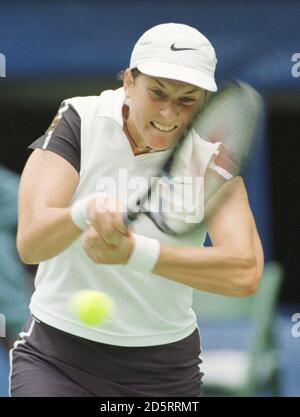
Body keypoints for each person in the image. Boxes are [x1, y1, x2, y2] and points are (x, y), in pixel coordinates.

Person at [10, 23, 264, 397]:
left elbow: (245, 272)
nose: (169, 112)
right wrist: (84, 213)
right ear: (129, 82)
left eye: (187, 99)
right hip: (56, 359)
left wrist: (137, 254)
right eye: (157, 92)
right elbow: (31, 243)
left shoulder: (213, 155)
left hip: (163, 372)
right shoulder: (79, 120)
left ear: (206, 102)